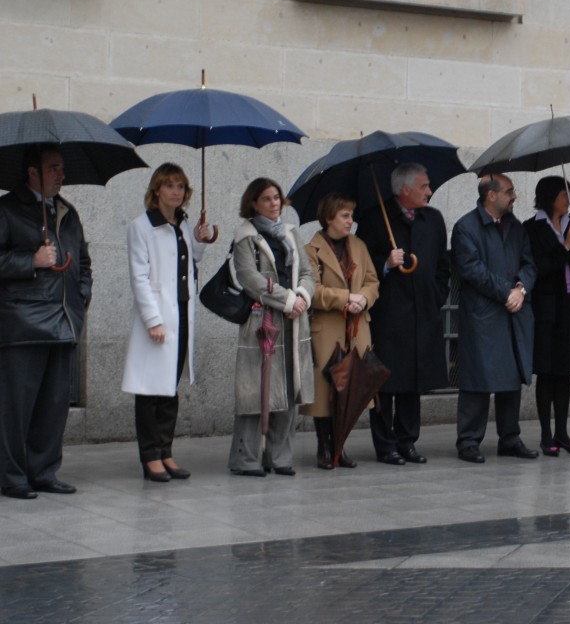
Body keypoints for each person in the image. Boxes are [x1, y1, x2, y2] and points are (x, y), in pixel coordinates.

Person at [0, 144, 91, 500]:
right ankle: (12, 476)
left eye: (62, 168)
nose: (61, 175)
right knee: (16, 409)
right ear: (32, 172)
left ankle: (43, 471)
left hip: (63, 321)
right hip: (23, 325)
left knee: (53, 406)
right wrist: (31, 260)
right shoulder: (7, 209)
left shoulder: (67, 212)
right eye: (53, 168)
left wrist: (81, 297)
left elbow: (83, 261)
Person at [120, 164, 212, 483]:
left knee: (170, 387)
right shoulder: (141, 226)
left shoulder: (182, 224)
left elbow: (189, 261)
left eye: (181, 186)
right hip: (158, 316)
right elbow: (139, 277)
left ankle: (165, 450)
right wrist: (153, 320)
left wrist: (199, 240)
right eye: (170, 186)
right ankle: (150, 456)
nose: (176, 192)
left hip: (181, 313)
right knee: (150, 391)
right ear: (156, 190)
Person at [359, 163, 450, 465]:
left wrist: (436, 296)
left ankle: (407, 440)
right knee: (385, 383)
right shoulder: (375, 219)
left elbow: (443, 265)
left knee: (414, 381)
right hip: (388, 316)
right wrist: (385, 263)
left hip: (423, 312)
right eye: (424, 186)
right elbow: (361, 266)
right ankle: (385, 444)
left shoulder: (433, 219)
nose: (429, 191)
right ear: (405, 190)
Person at [228, 178, 315, 476]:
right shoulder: (245, 236)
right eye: (266, 198)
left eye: (277, 197)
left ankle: (279, 457)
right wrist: (288, 300)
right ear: (253, 203)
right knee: (255, 391)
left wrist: (302, 297)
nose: (274, 203)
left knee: (288, 389)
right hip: (261, 322)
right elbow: (249, 279)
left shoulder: (291, 233)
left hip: (293, 322)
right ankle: (246, 458)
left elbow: (307, 273)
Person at [451, 173, 538, 464]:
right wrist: (506, 292)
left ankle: (510, 438)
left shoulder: (515, 227)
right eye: (509, 191)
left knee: (511, 377)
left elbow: (529, 264)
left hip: (514, 312)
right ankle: (468, 441)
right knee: (477, 378)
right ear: (491, 195)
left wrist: (521, 289)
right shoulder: (465, 227)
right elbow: (472, 270)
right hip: (483, 316)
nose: (514, 197)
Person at [523, 176, 570, 456]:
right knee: (547, 372)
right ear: (549, 197)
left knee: (565, 372)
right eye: (563, 194)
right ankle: (546, 435)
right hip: (546, 309)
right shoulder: (531, 228)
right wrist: (566, 245)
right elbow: (540, 268)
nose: (568, 199)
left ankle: (563, 433)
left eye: (569, 193)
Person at [303, 193, 379, 468]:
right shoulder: (311, 250)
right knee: (326, 392)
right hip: (328, 329)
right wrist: (346, 298)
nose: (350, 221)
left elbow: (372, 281)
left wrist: (364, 299)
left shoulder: (358, 245)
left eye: (351, 215)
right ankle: (325, 447)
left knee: (352, 389)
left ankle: (340, 446)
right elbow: (312, 291)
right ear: (329, 217)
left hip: (357, 328)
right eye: (345, 215)